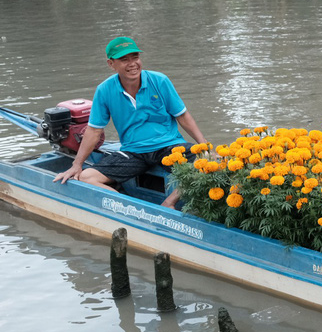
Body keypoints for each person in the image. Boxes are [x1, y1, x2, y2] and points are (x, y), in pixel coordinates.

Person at [54, 36, 207, 208]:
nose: (132, 64)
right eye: (124, 59)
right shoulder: (105, 90)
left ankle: (168, 203)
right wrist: (77, 164)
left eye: (135, 57)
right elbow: (94, 130)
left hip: (168, 147)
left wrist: (205, 147)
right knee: (86, 177)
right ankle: (131, 208)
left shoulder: (160, 81)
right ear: (111, 64)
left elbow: (183, 116)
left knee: (205, 163)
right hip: (133, 152)